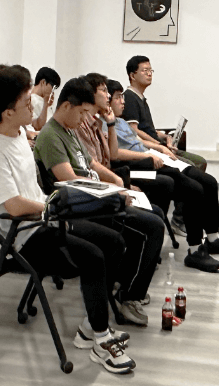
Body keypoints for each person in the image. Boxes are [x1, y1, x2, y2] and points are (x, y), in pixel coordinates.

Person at [0, 64, 135, 374]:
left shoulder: (19, 135)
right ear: (7, 112)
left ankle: (91, 327)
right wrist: (53, 205)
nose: (34, 106)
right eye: (27, 102)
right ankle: (101, 340)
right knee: (93, 257)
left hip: (46, 220)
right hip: (25, 235)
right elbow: (14, 205)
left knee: (114, 241)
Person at [34, 76, 162, 327]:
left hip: (97, 197)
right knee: (152, 227)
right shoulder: (50, 135)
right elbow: (70, 181)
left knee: (153, 213)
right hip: (81, 207)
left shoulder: (69, 130)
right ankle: (129, 296)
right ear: (67, 106)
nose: (84, 118)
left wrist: (115, 180)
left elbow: (91, 163)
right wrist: (112, 192)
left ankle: (125, 284)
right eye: (82, 112)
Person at [103, 79, 219, 272]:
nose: (122, 101)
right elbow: (114, 154)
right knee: (194, 189)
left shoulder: (121, 122)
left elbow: (140, 141)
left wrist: (160, 147)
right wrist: (149, 155)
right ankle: (195, 250)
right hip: (138, 165)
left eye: (122, 97)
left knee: (208, 181)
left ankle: (213, 238)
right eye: (117, 98)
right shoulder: (104, 125)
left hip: (151, 157)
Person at [29, 66, 60, 132]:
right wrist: (46, 104)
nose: (52, 91)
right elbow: (37, 126)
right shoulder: (31, 100)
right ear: (43, 82)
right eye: (52, 87)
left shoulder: (44, 100)